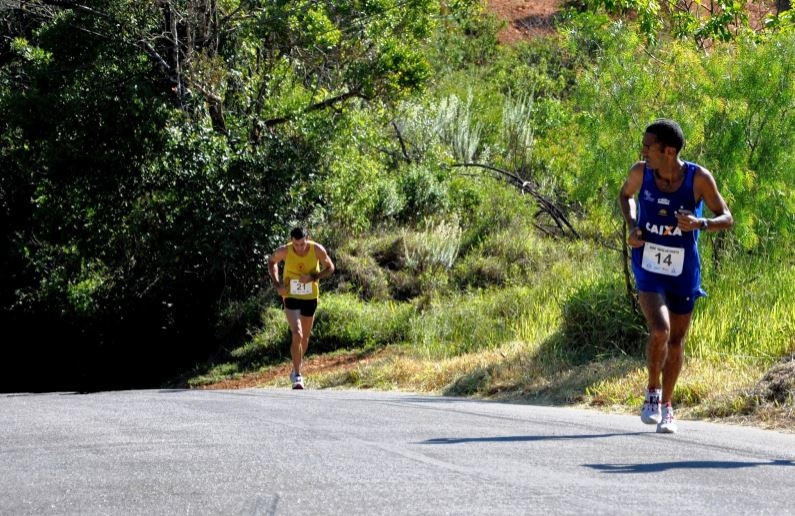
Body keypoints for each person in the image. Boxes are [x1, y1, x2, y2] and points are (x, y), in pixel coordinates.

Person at [618, 119, 733, 433]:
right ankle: (652, 392)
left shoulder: (698, 178)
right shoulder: (641, 172)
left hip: (683, 271)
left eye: (648, 147)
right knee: (660, 330)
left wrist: (700, 224)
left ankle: (667, 406)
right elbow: (625, 195)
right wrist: (633, 226)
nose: (643, 152)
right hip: (648, 266)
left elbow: (726, 217)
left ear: (669, 151)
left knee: (677, 340)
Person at [267, 227, 335, 389]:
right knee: (296, 333)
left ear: (307, 238)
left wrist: (313, 277)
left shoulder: (317, 249)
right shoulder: (284, 250)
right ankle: (298, 375)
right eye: (296, 244)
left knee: (304, 337)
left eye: (302, 244)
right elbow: (271, 262)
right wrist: (278, 285)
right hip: (290, 295)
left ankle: (295, 367)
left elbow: (330, 267)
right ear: (291, 241)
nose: (299, 247)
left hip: (310, 297)